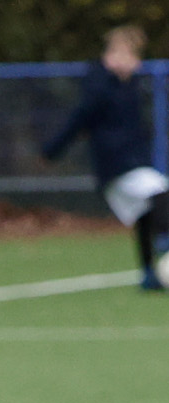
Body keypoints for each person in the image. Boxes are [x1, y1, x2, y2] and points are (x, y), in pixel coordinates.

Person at [44, 26, 166, 290]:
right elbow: (78, 120)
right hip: (117, 167)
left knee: (146, 214)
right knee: (161, 196)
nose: (137, 63)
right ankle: (159, 257)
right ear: (116, 54)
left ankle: (148, 274)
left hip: (134, 164)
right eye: (132, 55)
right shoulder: (99, 85)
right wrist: (52, 150)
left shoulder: (130, 84)